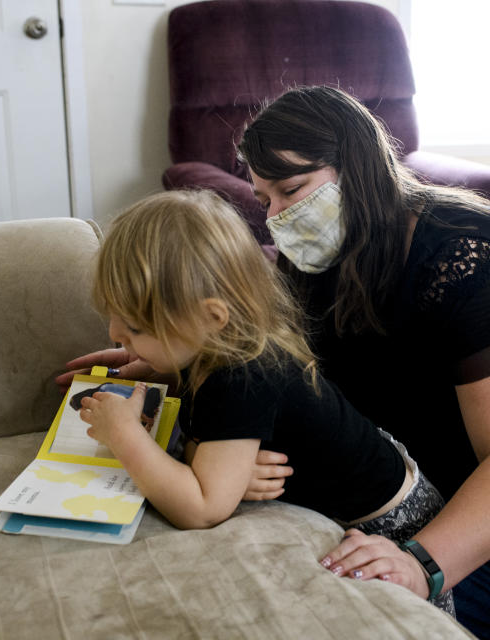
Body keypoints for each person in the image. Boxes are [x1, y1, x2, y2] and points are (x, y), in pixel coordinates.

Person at [63, 85, 490, 638]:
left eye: (292, 189)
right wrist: (168, 355)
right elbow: (284, 374)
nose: (279, 218)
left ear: (358, 168)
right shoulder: (314, 251)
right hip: (404, 481)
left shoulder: (473, 261)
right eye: (264, 200)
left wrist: (421, 564)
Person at [72, 189, 455, 613]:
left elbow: (201, 509)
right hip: (389, 483)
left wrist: (125, 434)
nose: (115, 335)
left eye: (136, 328)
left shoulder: (241, 376)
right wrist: (215, 462)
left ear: (212, 317)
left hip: (392, 527)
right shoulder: (225, 348)